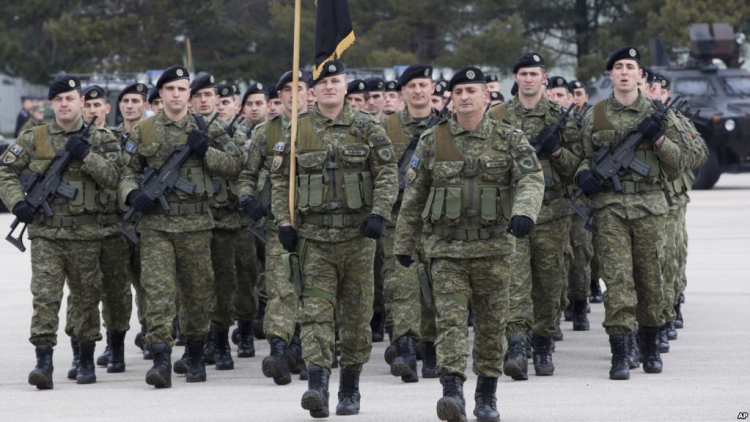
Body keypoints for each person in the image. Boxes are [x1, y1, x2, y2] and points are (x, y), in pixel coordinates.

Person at [394, 66, 544, 422]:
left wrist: (524, 213)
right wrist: (404, 242)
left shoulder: (509, 137)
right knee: (450, 322)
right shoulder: (434, 140)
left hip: (494, 249)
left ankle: (487, 397)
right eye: (457, 91)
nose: (463, 97)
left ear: (487, 96)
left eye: (471, 91)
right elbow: (414, 196)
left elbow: (531, 178)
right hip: (447, 250)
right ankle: (452, 392)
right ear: (450, 98)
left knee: (492, 326)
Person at [271, 60, 398, 417]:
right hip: (313, 239)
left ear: (345, 87)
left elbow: (387, 172)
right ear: (312, 90)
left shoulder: (366, 127)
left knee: (356, 318)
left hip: (357, 239)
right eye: (322, 82)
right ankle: (317, 385)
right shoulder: (298, 130)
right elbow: (282, 181)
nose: (329, 86)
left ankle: (350, 389)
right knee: (315, 315)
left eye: (336, 81)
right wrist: (283, 220)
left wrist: (379, 213)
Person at [118, 65, 242, 388]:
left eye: (182, 89)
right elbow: (127, 172)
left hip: (197, 224)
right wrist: (132, 194)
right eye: (170, 89)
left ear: (189, 94)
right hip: (156, 225)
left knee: (197, 292)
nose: (176, 94)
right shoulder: (143, 131)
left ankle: (197, 356)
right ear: (161, 94)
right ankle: (161, 358)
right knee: (158, 293)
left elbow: (234, 165)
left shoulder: (207, 129)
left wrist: (207, 153)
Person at [0, 75, 122, 389]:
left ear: (82, 102)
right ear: (51, 103)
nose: (65, 104)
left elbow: (115, 178)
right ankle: (44, 360)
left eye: (70, 98)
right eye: (59, 99)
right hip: (46, 234)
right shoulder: (35, 136)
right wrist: (17, 203)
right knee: (45, 296)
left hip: (86, 234)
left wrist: (86, 156)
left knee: (85, 298)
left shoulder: (102, 137)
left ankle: (84, 357)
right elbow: (6, 171)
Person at [575, 46, 687, 380]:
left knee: (651, 281)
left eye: (631, 67)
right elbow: (583, 155)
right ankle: (620, 353)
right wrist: (584, 174)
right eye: (618, 66)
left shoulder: (659, 113)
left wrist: (660, 142)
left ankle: (650, 346)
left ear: (640, 75)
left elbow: (682, 161)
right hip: (610, 210)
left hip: (651, 208)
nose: (624, 72)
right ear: (611, 75)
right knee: (618, 281)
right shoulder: (595, 115)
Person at [489, 52, 583, 379]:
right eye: (523, 74)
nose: (528, 79)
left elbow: (577, 169)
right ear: (515, 78)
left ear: (544, 78)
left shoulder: (561, 117)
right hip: (511, 214)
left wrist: (556, 150)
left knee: (549, 282)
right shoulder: (497, 116)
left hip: (552, 214)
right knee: (514, 281)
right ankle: (517, 344)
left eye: (534, 74)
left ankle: (543, 341)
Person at [242, 70, 312, 386]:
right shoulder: (265, 133)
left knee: (313, 292)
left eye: (299, 88)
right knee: (280, 289)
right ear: (279, 96)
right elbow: (246, 174)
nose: (292, 94)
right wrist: (248, 200)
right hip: (277, 225)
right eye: (286, 89)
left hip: (318, 227)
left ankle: (308, 351)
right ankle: (280, 351)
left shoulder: (324, 129)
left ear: (310, 94)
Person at [382, 64, 441, 383]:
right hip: (397, 221)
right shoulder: (386, 125)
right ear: (402, 92)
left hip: (436, 222)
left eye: (423, 84)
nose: (418, 90)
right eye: (412, 86)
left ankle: (431, 348)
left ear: (432, 88)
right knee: (401, 285)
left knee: (433, 286)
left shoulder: (447, 125)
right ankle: (405, 347)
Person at [112, 83, 150, 362]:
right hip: (113, 223)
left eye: (135, 100)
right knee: (115, 288)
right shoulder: (107, 138)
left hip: (146, 221)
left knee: (148, 284)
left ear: (145, 104)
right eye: (125, 100)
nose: (129, 105)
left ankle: (150, 335)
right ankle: (114, 346)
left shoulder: (154, 136)